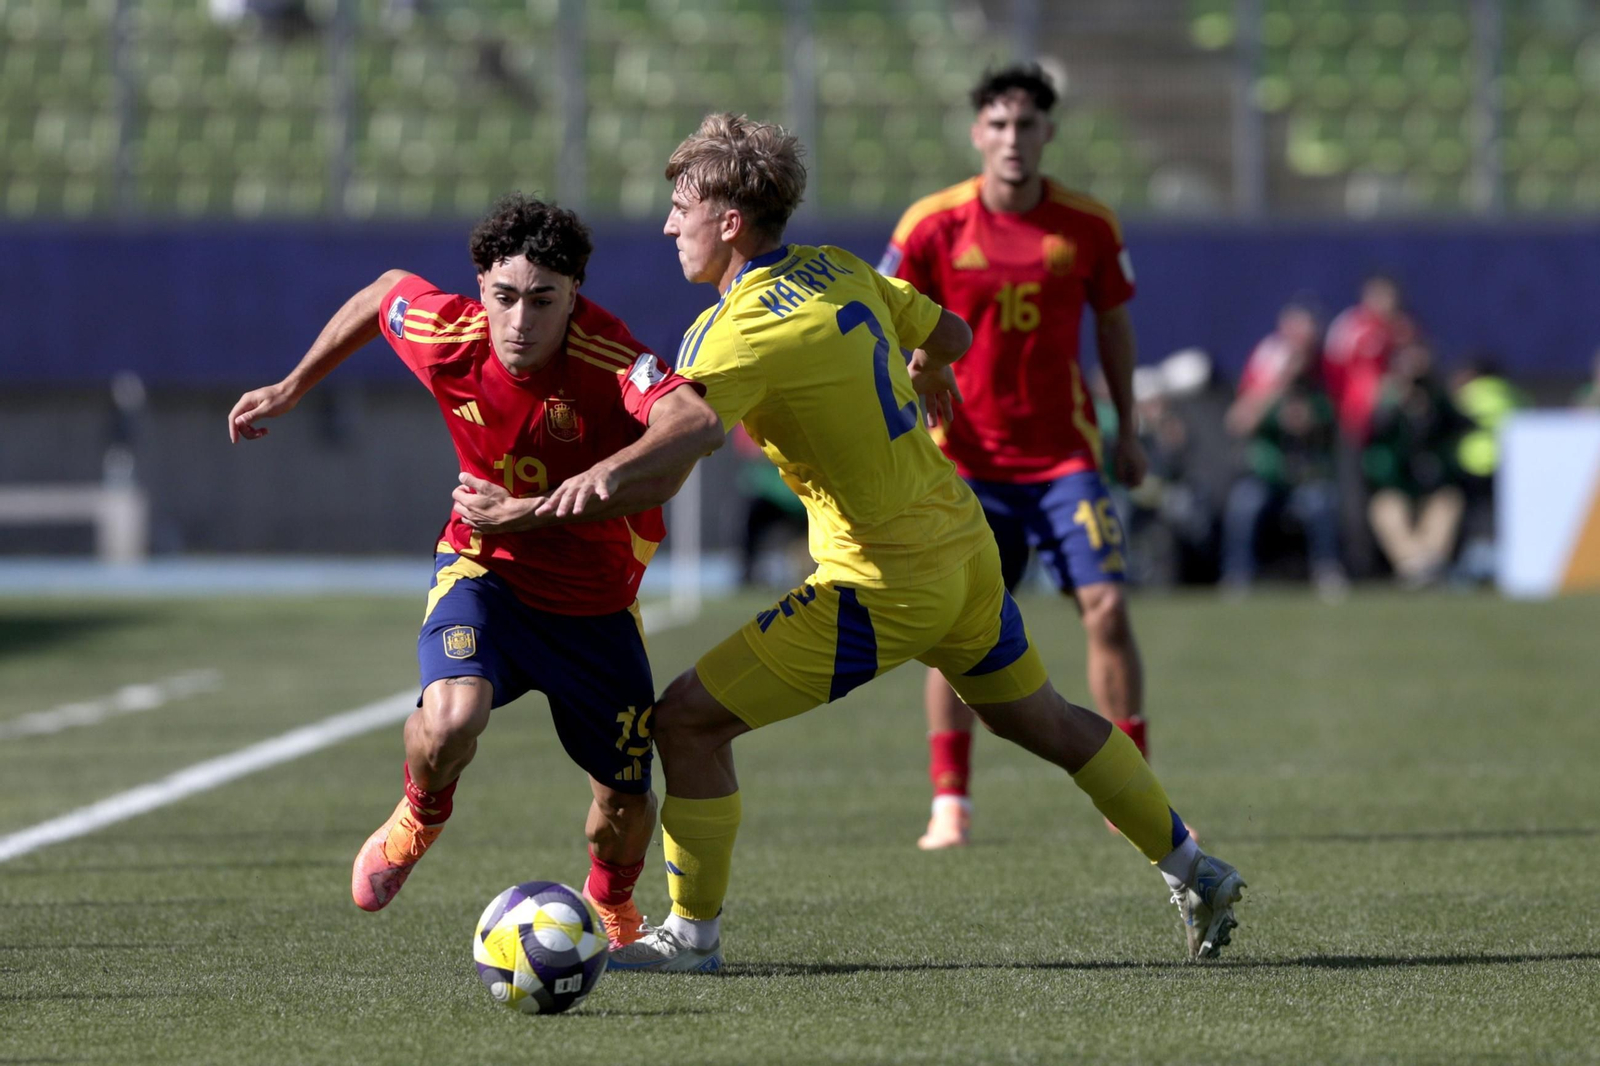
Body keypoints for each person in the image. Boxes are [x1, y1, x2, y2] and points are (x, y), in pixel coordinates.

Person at [607, 113, 1245, 973]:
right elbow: (955, 335)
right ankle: (1194, 866)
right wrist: (931, 366)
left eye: (680, 208)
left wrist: (576, 477)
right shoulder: (840, 268)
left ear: (728, 221)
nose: (666, 226)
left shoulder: (735, 329)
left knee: (685, 721)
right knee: (1047, 721)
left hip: (880, 584)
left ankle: (692, 939)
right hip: (963, 549)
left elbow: (677, 444)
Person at [225, 194, 725, 949]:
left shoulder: (609, 356)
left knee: (624, 810)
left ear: (574, 295)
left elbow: (697, 422)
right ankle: (420, 814)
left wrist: (547, 501)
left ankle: (613, 905)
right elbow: (383, 293)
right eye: (505, 296)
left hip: (594, 607)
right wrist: (293, 385)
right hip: (484, 572)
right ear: (481, 286)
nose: (520, 320)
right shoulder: (448, 334)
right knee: (452, 719)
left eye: (543, 300)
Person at [877, 64, 1151, 850]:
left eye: (1026, 125)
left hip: (1063, 459)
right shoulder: (932, 225)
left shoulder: (1088, 225)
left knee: (1108, 608)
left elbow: (1115, 326)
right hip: (962, 462)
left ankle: (1133, 791)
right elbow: (876, 314)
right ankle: (950, 801)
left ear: (1048, 133)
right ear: (977, 134)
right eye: (997, 124)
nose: (1012, 139)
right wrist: (915, 372)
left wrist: (1128, 428)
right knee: (954, 628)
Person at [1220, 304, 1345, 598]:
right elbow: (1237, 423)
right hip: (1268, 475)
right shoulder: (1267, 369)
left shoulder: (1325, 374)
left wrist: (1311, 419)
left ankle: (1327, 570)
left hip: (1307, 475)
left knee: (1321, 501)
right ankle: (1237, 574)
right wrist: (1279, 383)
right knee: (1245, 503)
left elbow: (1340, 420)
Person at [1362, 342, 1472, 587]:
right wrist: (1392, 399)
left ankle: (1429, 565)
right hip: (1399, 484)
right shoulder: (1389, 403)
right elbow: (1373, 433)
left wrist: (1438, 399)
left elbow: (1461, 424)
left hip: (1434, 484)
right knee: (1386, 508)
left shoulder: (1438, 401)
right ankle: (1413, 565)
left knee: (1447, 503)